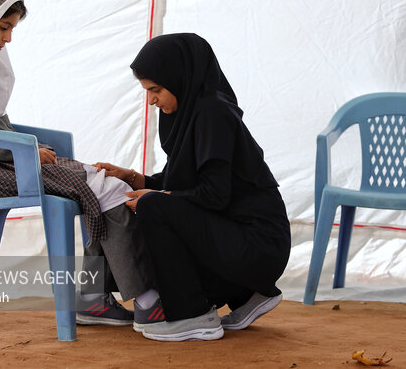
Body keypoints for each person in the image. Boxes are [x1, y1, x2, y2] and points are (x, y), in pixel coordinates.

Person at [0, 0, 161, 328]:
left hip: (3, 161)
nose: (7, 39)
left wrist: (29, 148)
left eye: (11, 29)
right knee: (108, 190)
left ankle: (98, 299)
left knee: (105, 188)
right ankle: (143, 300)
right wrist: (28, 152)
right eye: (4, 28)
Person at [94, 33, 291, 341]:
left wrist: (156, 198)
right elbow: (183, 182)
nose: (151, 100)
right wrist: (133, 178)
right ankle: (246, 295)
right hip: (233, 240)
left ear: (179, 77)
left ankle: (192, 314)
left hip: (259, 245)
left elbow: (213, 194)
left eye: (156, 89)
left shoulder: (214, 113)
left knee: (152, 206)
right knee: (149, 201)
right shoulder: (191, 113)